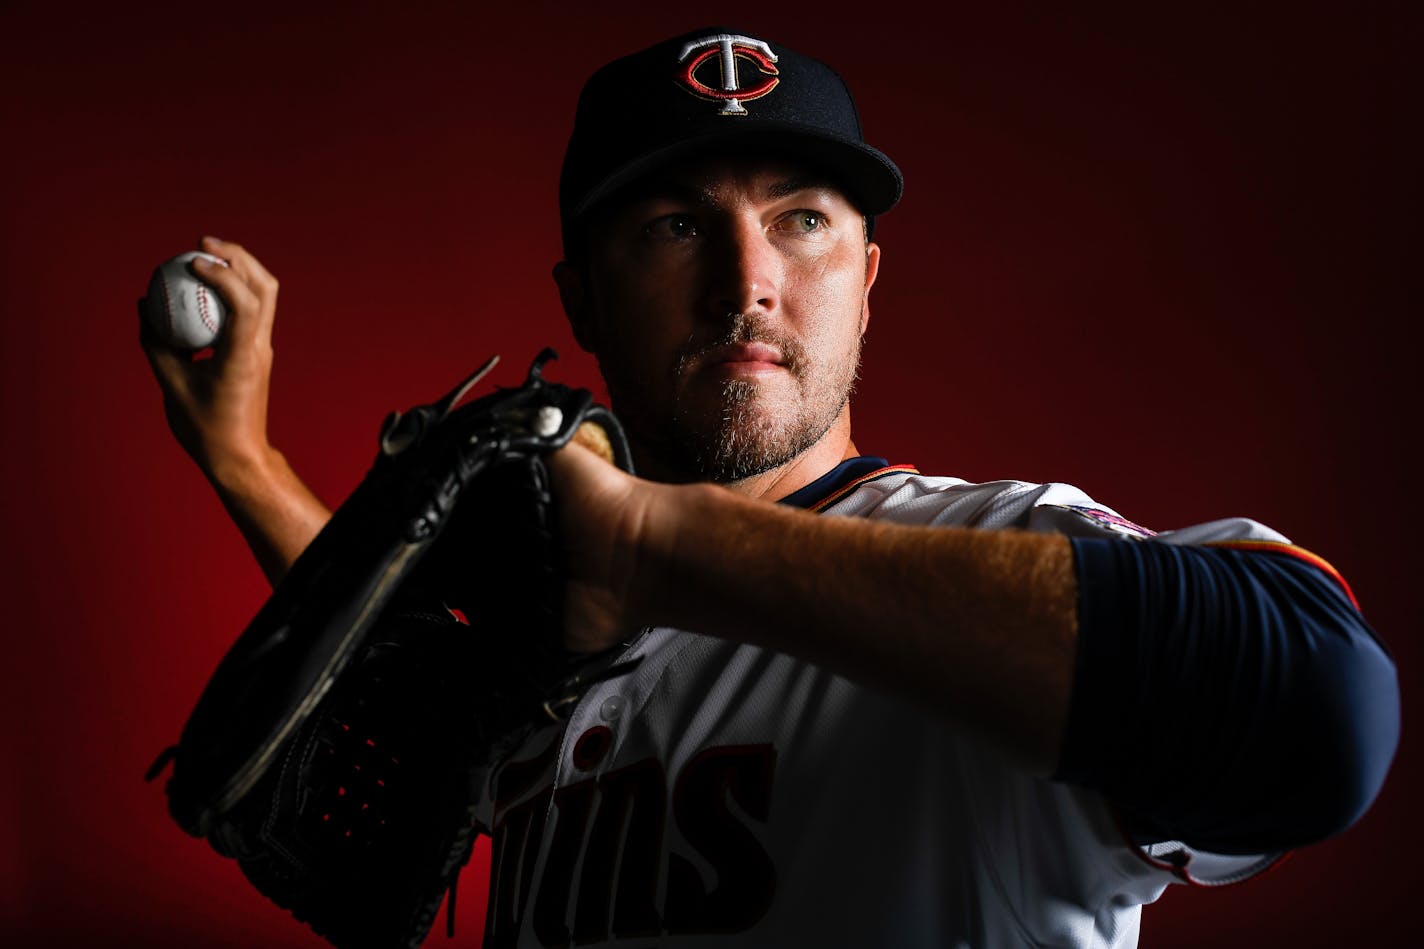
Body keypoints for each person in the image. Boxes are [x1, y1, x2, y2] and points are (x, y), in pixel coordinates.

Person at [142, 27, 1399, 949]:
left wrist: (641, 539)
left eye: (800, 220)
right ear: (580, 298)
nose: (746, 278)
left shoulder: (991, 550)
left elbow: (1321, 711)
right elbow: (362, 671)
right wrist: (243, 458)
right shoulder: (567, 634)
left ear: (865, 281)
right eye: (674, 227)